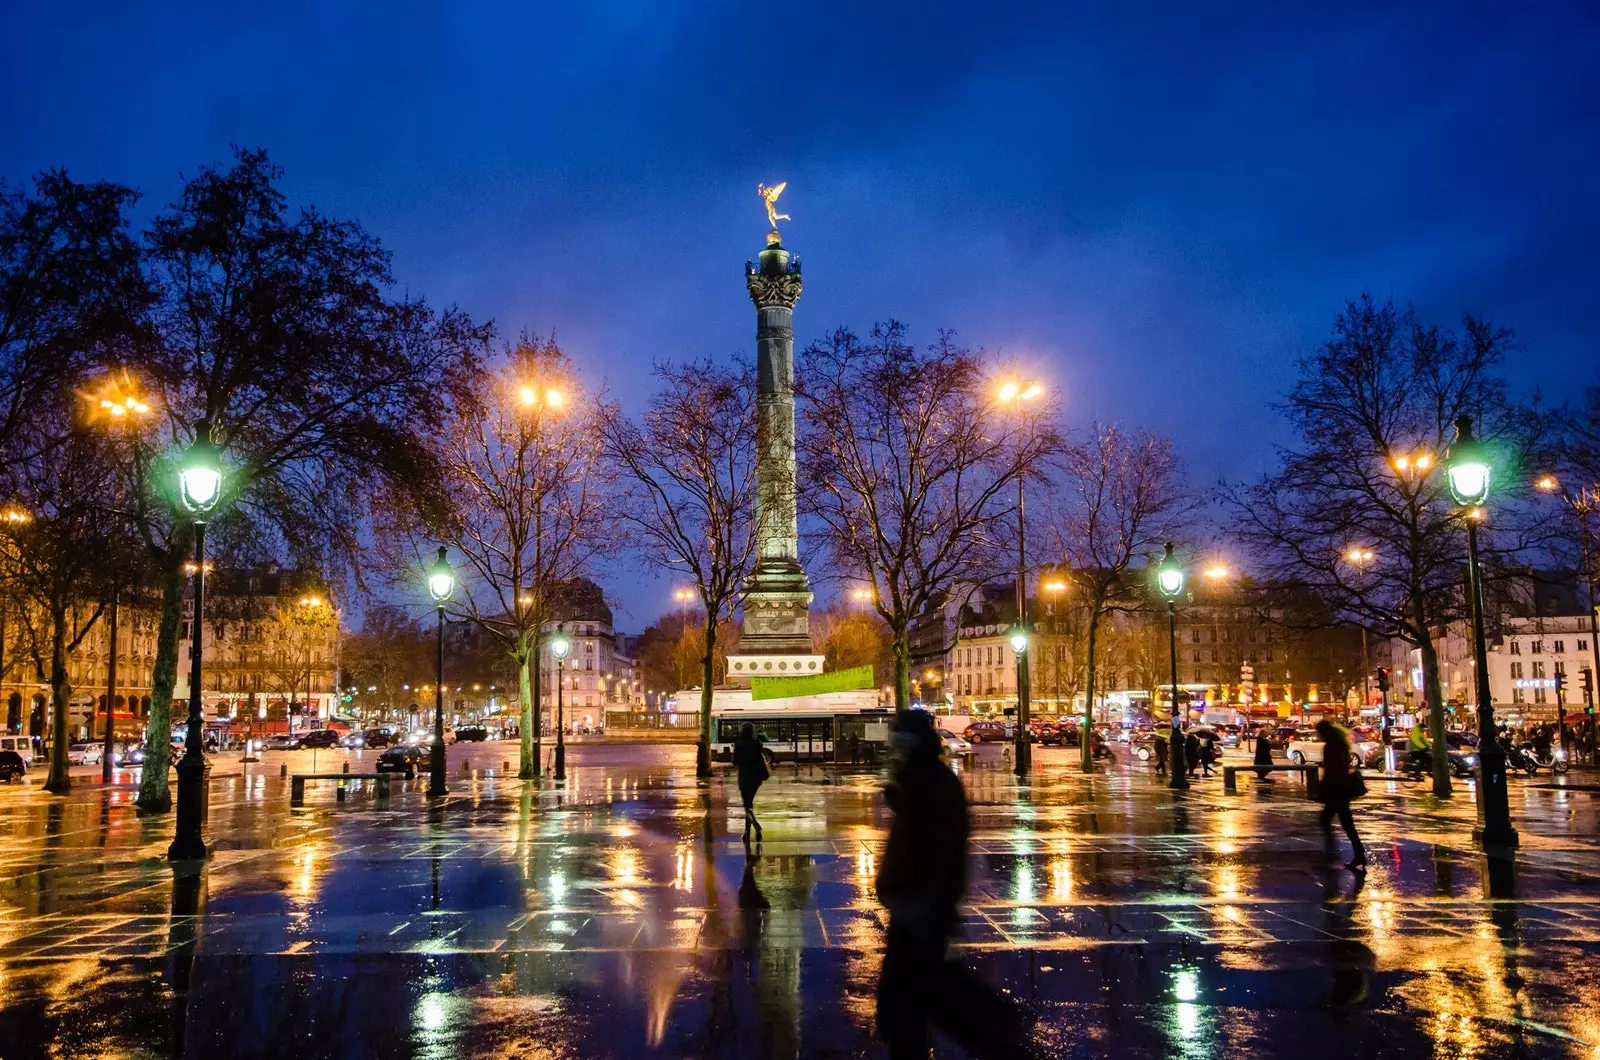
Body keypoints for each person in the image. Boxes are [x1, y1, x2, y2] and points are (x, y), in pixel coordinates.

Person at [875, 710, 1028, 1059]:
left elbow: (936, 846)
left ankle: (1003, 1035)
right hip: (915, 906)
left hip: (919, 908)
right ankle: (1000, 1029)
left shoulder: (928, 783)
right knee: (920, 1002)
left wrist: (934, 903)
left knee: (915, 1006)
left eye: (897, 736)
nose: (892, 744)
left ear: (909, 742)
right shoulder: (922, 779)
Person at [1316, 720, 1366, 872]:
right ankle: (1357, 854)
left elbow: (1331, 770)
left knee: (1327, 821)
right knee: (1345, 824)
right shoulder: (1341, 745)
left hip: (1335, 790)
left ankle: (1332, 852)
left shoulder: (1330, 747)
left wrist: (1322, 789)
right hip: (1341, 789)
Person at [732, 722, 771, 844]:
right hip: (756, 779)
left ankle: (755, 826)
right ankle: (747, 832)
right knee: (749, 805)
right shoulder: (756, 743)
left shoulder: (738, 744)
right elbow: (765, 756)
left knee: (747, 806)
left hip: (744, 778)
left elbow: (734, 761)